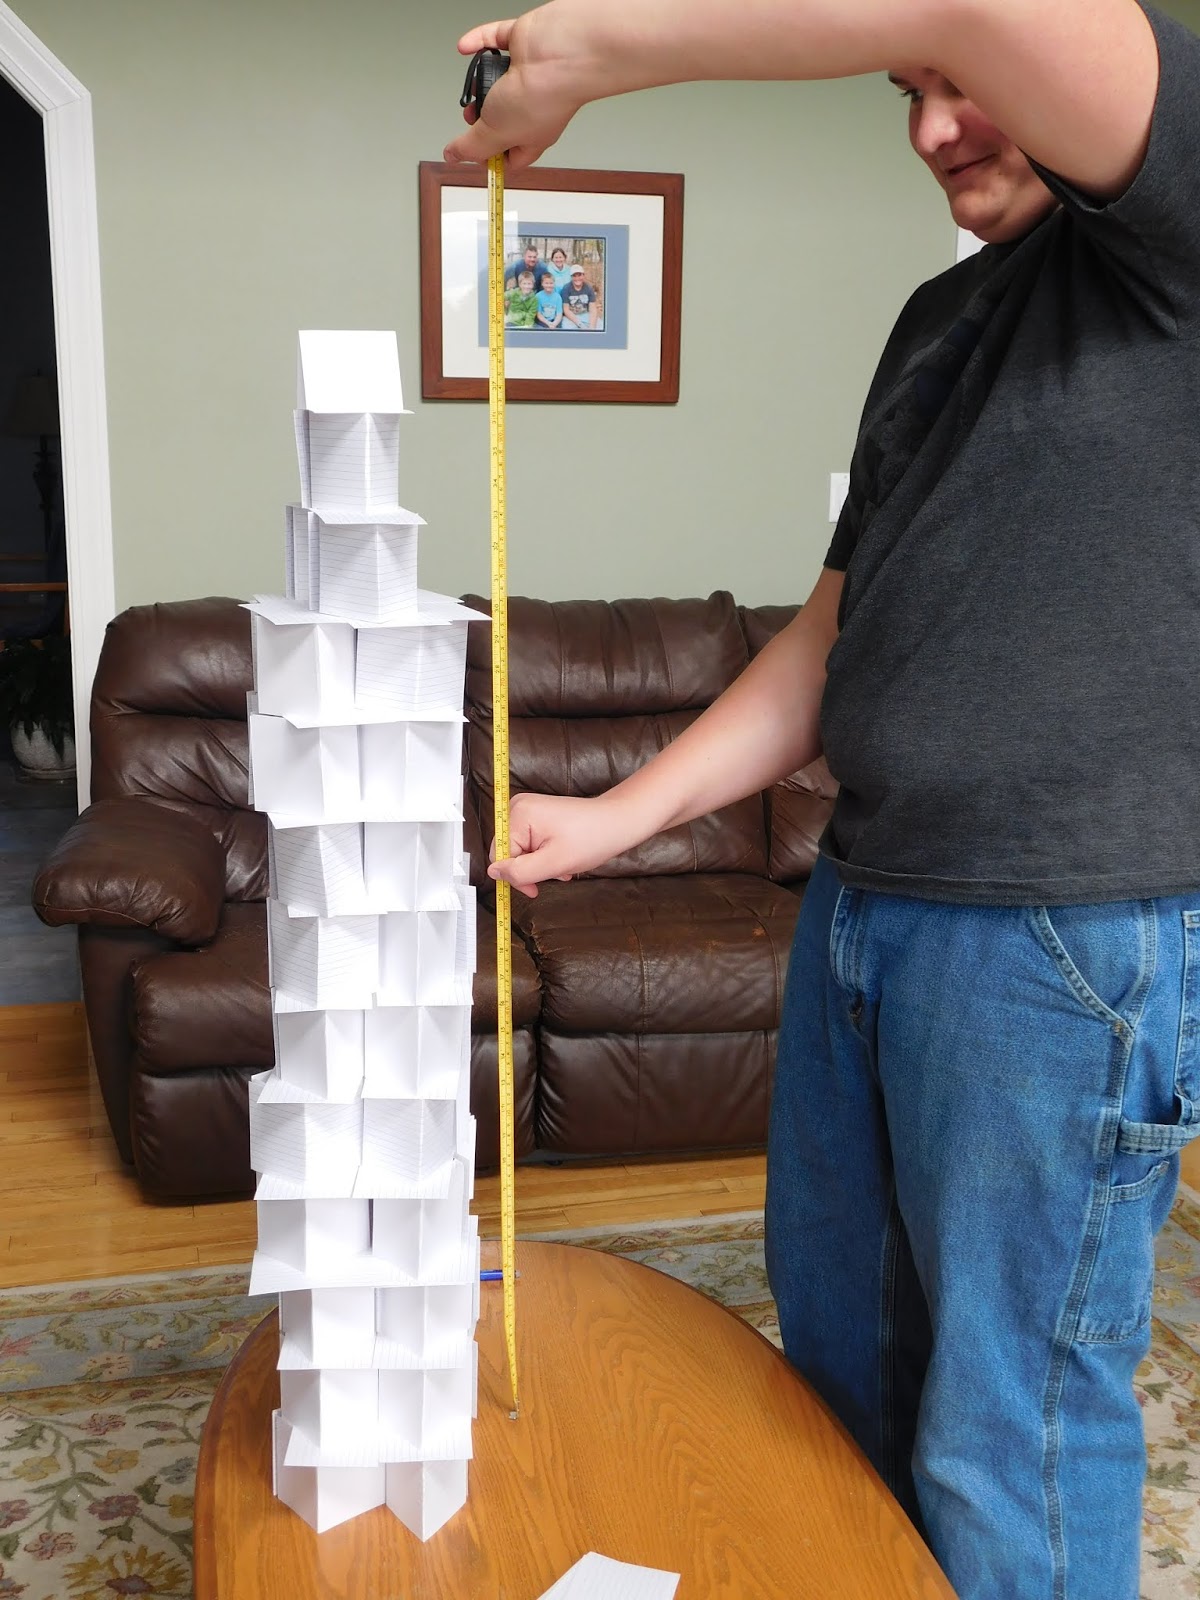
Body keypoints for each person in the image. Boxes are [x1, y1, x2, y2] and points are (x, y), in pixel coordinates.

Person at [446, 4, 1200, 1597]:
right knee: (840, 1370)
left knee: (1010, 1432)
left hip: (1052, 949)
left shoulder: (1172, 245)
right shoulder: (937, 324)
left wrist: (594, 51)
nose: (936, 128)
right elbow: (825, 638)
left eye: (965, 89)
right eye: (906, 96)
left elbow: (972, 0)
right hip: (862, 908)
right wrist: (616, 815)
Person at [559, 263, 599, 329]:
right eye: (574, 276)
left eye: (579, 275)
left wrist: (592, 327)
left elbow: (593, 309)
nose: (577, 278)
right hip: (570, 316)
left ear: (583, 275)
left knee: (600, 327)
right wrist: (579, 324)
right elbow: (566, 310)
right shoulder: (566, 288)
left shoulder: (589, 288)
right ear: (571, 277)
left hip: (585, 314)